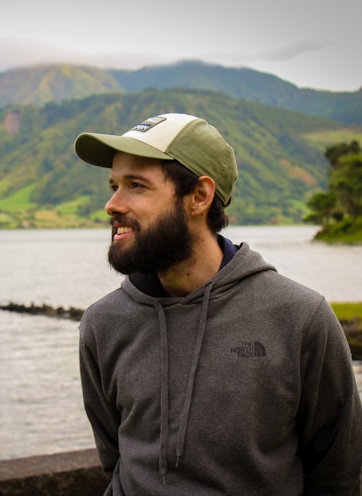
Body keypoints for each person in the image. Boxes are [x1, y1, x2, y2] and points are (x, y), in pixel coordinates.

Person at [73, 112, 362, 495]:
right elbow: (116, 460)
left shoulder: (300, 318)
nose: (112, 204)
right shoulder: (103, 323)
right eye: (113, 185)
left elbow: (339, 475)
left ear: (199, 196)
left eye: (136, 186)